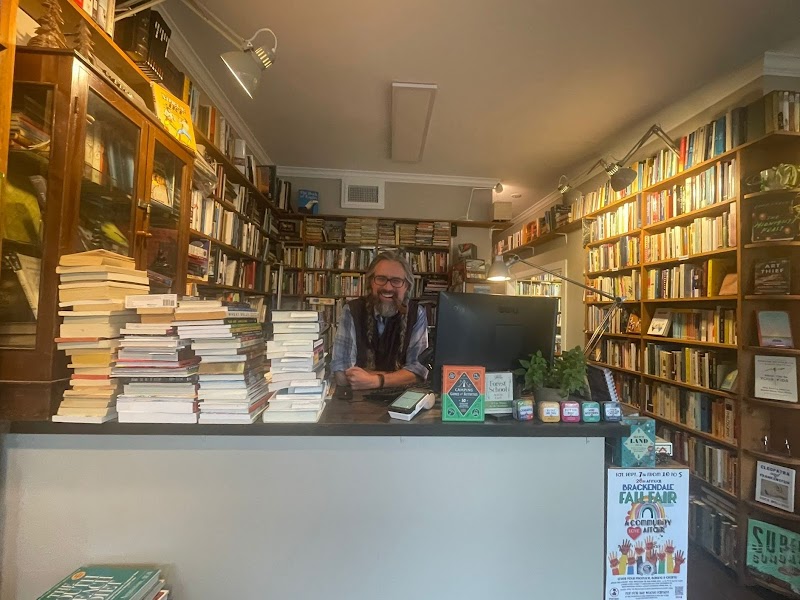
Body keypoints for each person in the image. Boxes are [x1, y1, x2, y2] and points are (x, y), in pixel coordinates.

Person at [331, 251, 429, 390]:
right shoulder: (352, 311)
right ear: (371, 282)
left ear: (406, 286)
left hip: (402, 401)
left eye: (396, 281)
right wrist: (400, 376)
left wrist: (376, 381)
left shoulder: (416, 313)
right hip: (356, 404)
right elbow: (341, 374)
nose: (388, 287)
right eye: (381, 279)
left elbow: (420, 372)